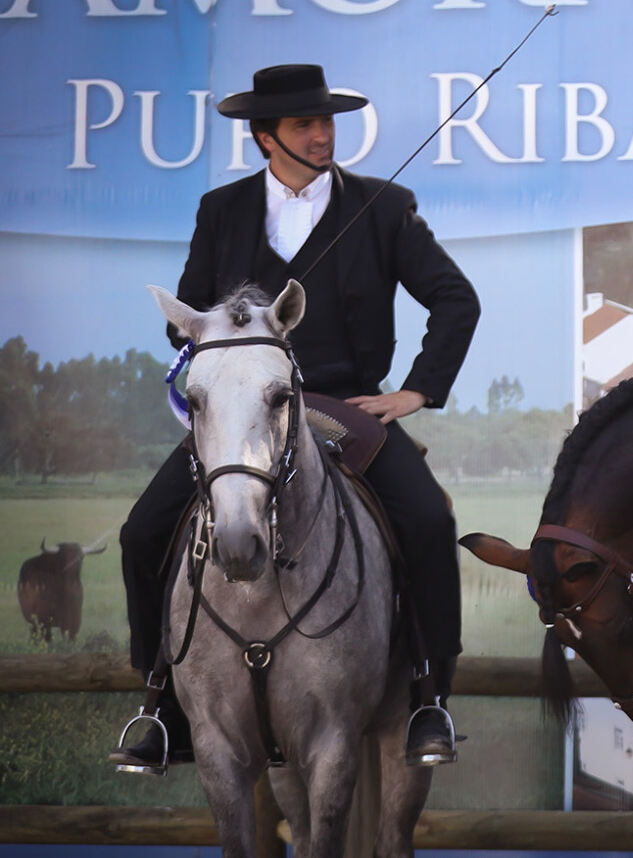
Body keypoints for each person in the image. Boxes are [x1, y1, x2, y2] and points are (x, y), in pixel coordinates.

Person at [109, 64, 479, 772]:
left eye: (326, 121)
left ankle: (429, 697)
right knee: (141, 532)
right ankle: (160, 706)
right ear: (264, 137)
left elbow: (456, 299)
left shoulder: (385, 206)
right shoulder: (221, 210)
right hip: (244, 412)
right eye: (304, 124)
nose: (322, 135)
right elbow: (183, 321)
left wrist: (417, 392)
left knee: (430, 521)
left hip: (345, 407)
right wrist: (222, 335)